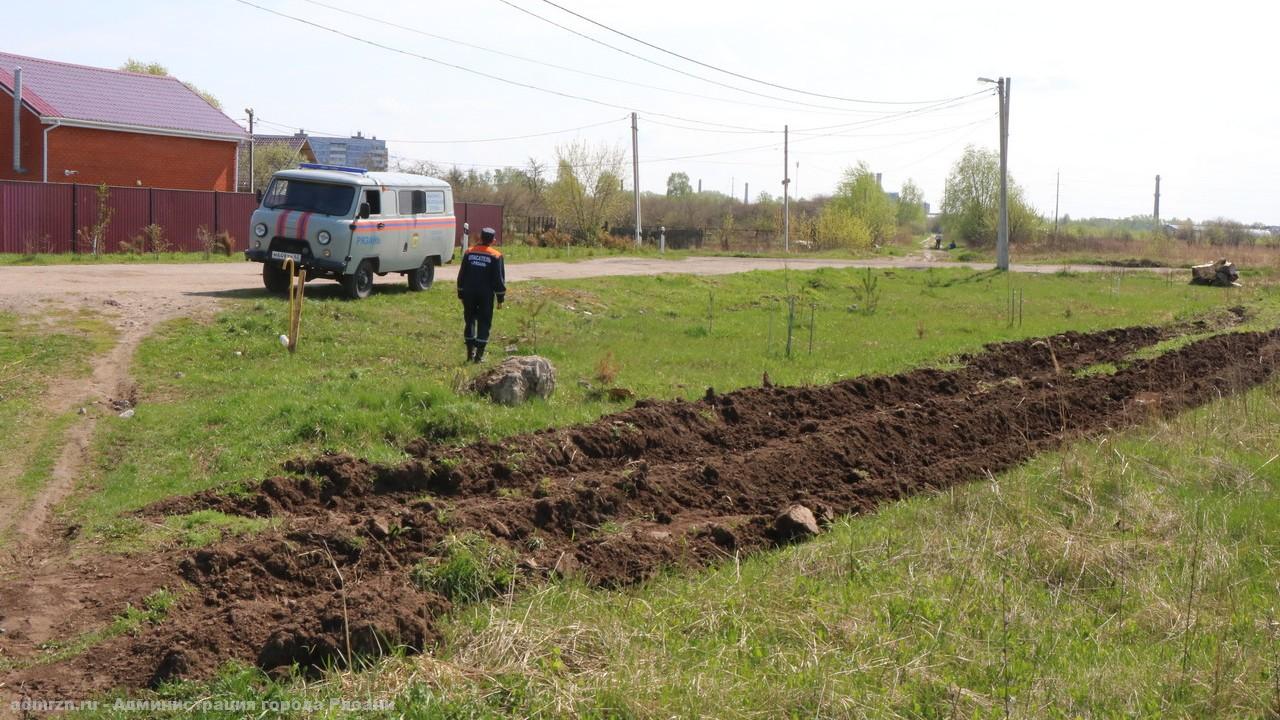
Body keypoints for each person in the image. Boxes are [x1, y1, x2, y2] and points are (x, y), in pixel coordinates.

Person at [456, 227, 506, 363]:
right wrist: (500, 298)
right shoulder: (496, 256)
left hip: (469, 293)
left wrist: (461, 293)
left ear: (480, 238)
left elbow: (461, 275)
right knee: (484, 322)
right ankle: (479, 356)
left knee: (469, 320)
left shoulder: (469, 253)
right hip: (486, 295)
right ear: (493, 240)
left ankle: (469, 354)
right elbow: (499, 280)